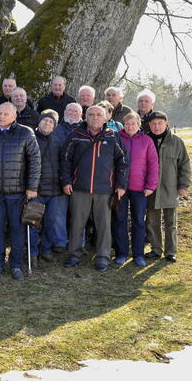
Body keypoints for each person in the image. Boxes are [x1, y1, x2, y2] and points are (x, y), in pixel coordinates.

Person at [61, 106, 129, 272]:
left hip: (104, 189)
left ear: (105, 117)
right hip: (79, 188)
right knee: (77, 224)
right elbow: (65, 160)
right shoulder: (76, 135)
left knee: (104, 225)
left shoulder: (112, 136)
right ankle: (74, 255)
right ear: (86, 117)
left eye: (99, 115)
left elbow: (123, 162)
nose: (95, 117)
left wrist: (121, 185)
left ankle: (103, 257)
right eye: (91, 114)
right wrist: (66, 181)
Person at [0, 102, 41, 281]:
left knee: (17, 229)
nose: (1, 117)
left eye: (5, 114)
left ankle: (16, 265)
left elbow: (35, 161)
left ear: (15, 116)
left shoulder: (25, 133)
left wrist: (32, 187)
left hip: (18, 193)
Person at [112, 112, 158, 266]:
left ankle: (138, 254)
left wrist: (150, 186)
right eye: (127, 124)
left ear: (139, 125)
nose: (130, 126)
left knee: (138, 221)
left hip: (140, 189)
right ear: (123, 125)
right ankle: (121, 253)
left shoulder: (147, 141)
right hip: (120, 188)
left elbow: (153, 164)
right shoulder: (116, 138)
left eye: (133, 123)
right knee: (120, 220)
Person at [144, 111, 191, 263]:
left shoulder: (176, 142)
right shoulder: (146, 139)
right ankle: (156, 249)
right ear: (149, 125)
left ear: (166, 124)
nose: (156, 127)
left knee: (171, 222)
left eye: (160, 123)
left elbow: (184, 165)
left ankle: (171, 251)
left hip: (170, 187)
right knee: (152, 221)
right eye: (153, 124)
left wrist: (183, 185)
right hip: (150, 189)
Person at [29, 110, 68, 263]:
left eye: (51, 122)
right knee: (33, 223)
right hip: (36, 191)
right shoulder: (30, 139)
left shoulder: (57, 141)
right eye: (45, 121)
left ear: (54, 126)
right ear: (39, 122)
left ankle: (45, 250)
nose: (47, 123)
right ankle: (32, 252)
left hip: (54, 191)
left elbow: (63, 164)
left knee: (50, 223)